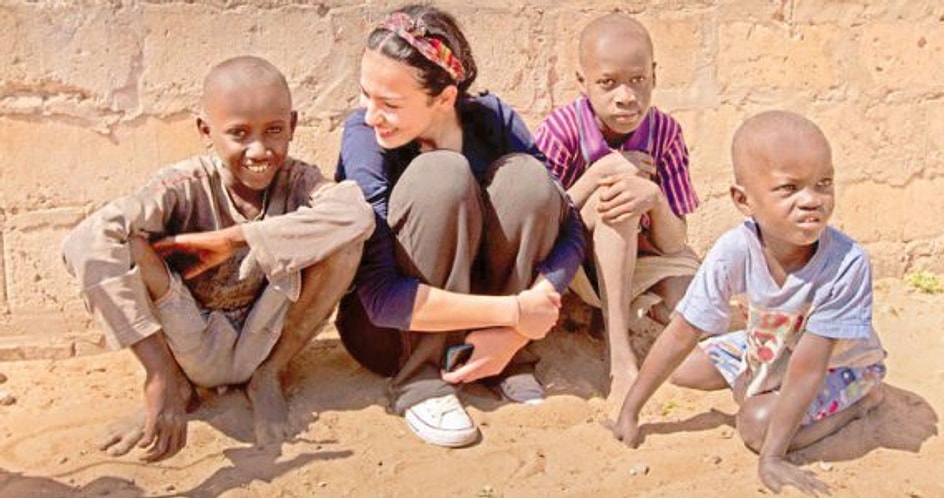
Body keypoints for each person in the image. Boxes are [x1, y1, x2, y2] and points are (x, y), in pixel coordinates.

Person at [62, 56, 374, 461]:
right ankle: (175, 386)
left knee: (344, 239)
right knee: (128, 245)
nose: (259, 150)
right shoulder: (181, 186)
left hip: (265, 337)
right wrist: (158, 373)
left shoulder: (298, 181)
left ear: (293, 125)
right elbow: (87, 239)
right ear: (205, 131)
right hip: (191, 337)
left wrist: (233, 239)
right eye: (239, 134)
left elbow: (355, 214)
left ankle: (269, 378)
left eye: (274, 131)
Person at [335, 4, 585, 448]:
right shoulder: (364, 140)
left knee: (527, 179)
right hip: (392, 334)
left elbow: (570, 225)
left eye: (389, 104)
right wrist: (517, 315)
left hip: (491, 329)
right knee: (442, 175)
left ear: (445, 98)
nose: (371, 115)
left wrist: (514, 334)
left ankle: (504, 363)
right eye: (364, 95)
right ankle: (422, 383)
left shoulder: (493, 119)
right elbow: (378, 296)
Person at [612, 111, 887, 495]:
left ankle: (861, 402)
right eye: (789, 189)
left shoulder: (846, 264)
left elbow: (808, 369)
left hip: (837, 365)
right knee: (684, 370)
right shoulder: (735, 249)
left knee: (756, 425)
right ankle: (761, 385)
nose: (812, 201)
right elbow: (682, 331)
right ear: (744, 200)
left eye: (823, 184)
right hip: (774, 344)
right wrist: (631, 410)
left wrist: (772, 457)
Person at [534, 13, 700, 403]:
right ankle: (620, 354)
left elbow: (675, 243)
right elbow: (538, 225)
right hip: (571, 262)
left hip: (642, 258)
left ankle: (742, 322)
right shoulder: (562, 130)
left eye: (638, 80)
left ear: (654, 75)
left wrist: (654, 198)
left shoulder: (666, 133)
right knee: (617, 199)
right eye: (608, 83)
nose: (626, 97)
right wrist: (598, 175)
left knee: (693, 305)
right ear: (582, 83)